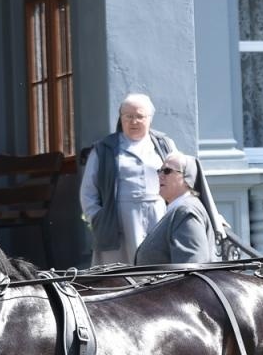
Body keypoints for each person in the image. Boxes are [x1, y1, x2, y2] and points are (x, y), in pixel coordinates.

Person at [79, 93, 219, 266]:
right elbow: (88, 192)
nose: (134, 121)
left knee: (155, 266)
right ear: (121, 118)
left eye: (139, 116)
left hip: (158, 214)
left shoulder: (163, 144)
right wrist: (98, 218)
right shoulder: (104, 148)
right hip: (119, 219)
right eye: (128, 116)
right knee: (120, 274)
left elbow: (183, 174)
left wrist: (213, 213)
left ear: (150, 119)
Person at [135, 151, 217, 266]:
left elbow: (191, 268)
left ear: (186, 179)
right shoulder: (177, 210)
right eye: (160, 171)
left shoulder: (187, 212)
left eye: (167, 171)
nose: (160, 176)